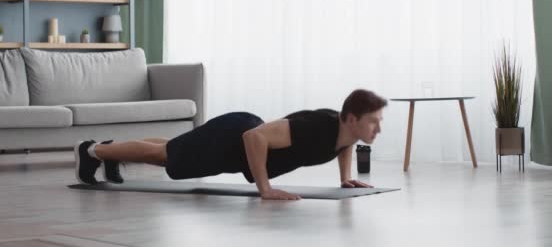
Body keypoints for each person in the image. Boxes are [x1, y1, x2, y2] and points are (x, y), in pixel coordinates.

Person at [74, 89, 387, 201]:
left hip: (233, 146)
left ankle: (109, 149)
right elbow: (255, 137)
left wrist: (344, 178)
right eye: (372, 121)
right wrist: (265, 189)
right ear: (350, 118)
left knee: (171, 148)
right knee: (163, 155)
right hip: (231, 138)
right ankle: (91, 151)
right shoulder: (316, 129)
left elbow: (343, 146)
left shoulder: (341, 132)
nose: (378, 128)